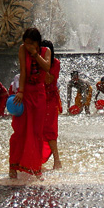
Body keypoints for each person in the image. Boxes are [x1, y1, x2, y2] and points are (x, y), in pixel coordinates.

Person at [9, 27, 51, 178]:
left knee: (36, 132)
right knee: (20, 130)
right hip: (26, 93)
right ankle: (13, 166)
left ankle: (35, 167)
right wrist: (20, 91)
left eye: (30, 43)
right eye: (25, 43)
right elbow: (23, 71)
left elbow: (47, 67)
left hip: (39, 95)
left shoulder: (46, 51)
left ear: (37, 43)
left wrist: (35, 55)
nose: (27, 46)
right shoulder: (22, 49)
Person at [41, 39, 61, 169]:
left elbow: (49, 80)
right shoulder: (36, 63)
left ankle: (57, 161)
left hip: (50, 100)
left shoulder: (55, 63)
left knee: (50, 131)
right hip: (39, 99)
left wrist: (44, 65)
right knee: (37, 130)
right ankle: (36, 160)